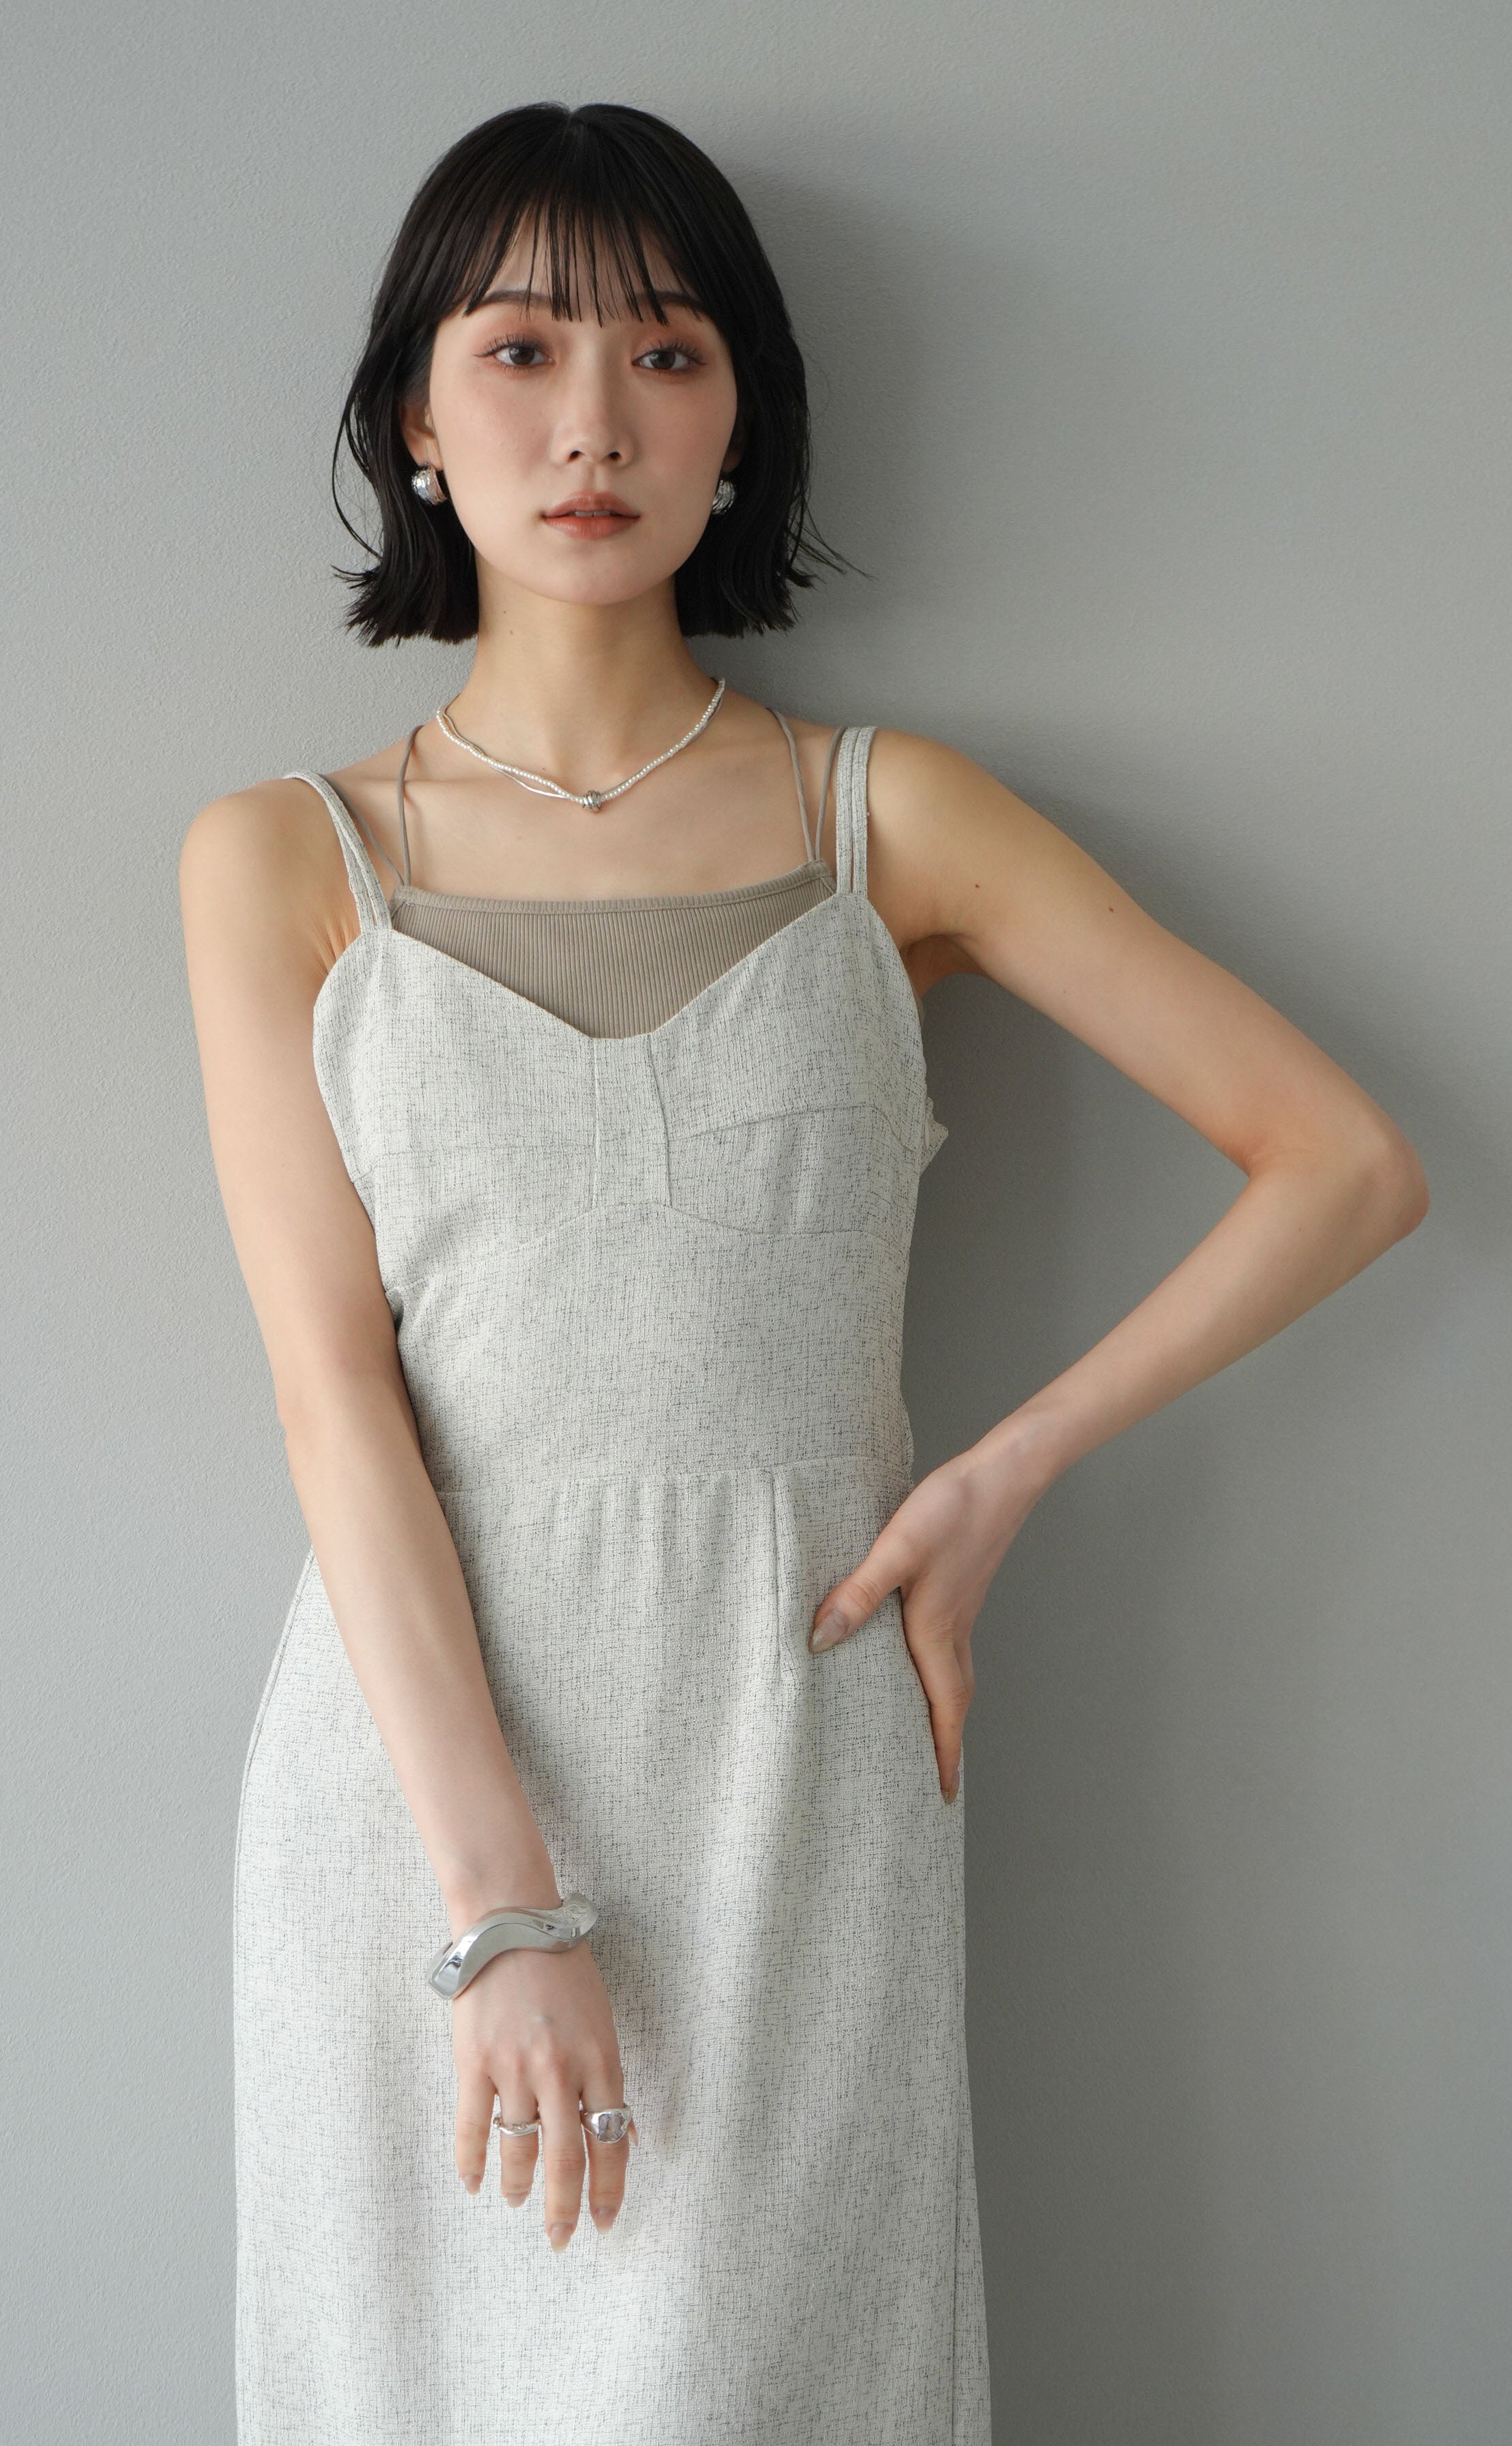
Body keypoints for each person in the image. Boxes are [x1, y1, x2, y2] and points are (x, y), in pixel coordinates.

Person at [178, 100, 1427, 2446]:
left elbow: (1342, 1164)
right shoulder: (282, 859)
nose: (591, 423)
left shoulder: (888, 819)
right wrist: (500, 1909)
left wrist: (996, 1475)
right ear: (414, 422)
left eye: (664, 354)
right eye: (519, 349)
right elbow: (335, 1399)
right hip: (420, 1779)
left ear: (739, 417)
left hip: (793, 1736)